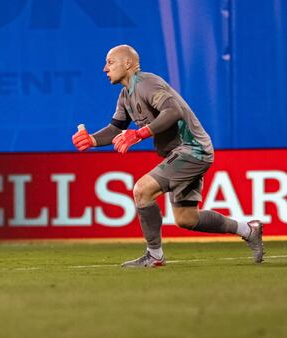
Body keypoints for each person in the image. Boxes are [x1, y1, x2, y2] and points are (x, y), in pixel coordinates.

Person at [72, 45, 264, 267]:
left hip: (192, 149)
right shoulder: (126, 95)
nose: (105, 68)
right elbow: (115, 128)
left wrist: (140, 133)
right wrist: (93, 140)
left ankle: (154, 255)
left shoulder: (146, 83)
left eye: (110, 62)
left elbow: (173, 111)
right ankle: (249, 230)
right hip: (182, 152)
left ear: (127, 63)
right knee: (187, 218)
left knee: (142, 190)